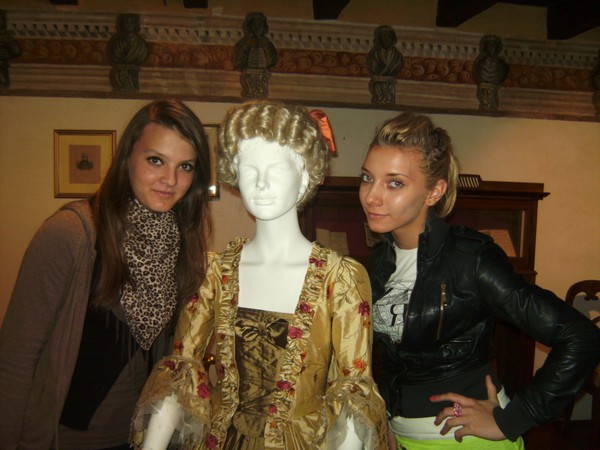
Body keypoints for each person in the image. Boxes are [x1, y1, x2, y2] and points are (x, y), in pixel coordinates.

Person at [130, 101, 388, 450]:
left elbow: (352, 394)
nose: (261, 183)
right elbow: (181, 371)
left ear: (305, 177)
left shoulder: (340, 279)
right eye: (249, 170)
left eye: (277, 170)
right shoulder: (214, 273)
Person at [358, 112, 600, 450]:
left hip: (465, 440)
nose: (371, 196)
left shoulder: (471, 259)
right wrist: (384, 418)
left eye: (394, 183)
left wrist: (513, 419)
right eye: (367, 178)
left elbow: (580, 336)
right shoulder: (379, 262)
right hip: (400, 437)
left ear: (434, 191)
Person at [0, 99, 213, 450]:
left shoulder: (180, 243)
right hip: (64, 439)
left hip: (139, 437)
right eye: (156, 160)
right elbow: (15, 359)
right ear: (127, 156)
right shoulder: (71, 234)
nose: (171, 180)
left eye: (185, 166)